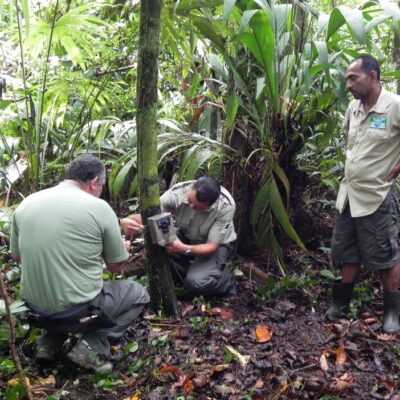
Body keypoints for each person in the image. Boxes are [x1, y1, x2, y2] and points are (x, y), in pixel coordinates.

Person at [10, 155, 149, 372]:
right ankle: (92, 347)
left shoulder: (27, 203)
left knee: (57, 283)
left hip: (34, 312)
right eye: (101, 186)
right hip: (78, 313)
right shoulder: (99, 207)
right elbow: (117, 266)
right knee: (138, 294)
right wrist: (123, 249)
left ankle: (48, 344)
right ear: (94, 182)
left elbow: (17, 256)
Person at [326, 54, 400, 333]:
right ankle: (341, 303)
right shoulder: (353, 107)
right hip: (349, 194)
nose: (348, 85)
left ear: (372, 76)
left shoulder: (394, 106)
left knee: (385, 255)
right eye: (347, 79)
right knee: (346, 251)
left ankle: (391, 312)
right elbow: (349, 138)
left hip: (376, 195)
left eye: (353, 78)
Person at [121, 176, 237, 297]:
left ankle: (225, 280)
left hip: (215, 247)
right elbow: (147, 216)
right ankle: (192, 270)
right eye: (190, 201)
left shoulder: (225, 206)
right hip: (186, 235)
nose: (191, 207)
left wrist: (182, 248)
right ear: (192, 187)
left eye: (198, 208)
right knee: (156, 251)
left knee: (196, 283)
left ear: (210, 205)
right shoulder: (178, 193)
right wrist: (127, 221)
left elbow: (211, 247)